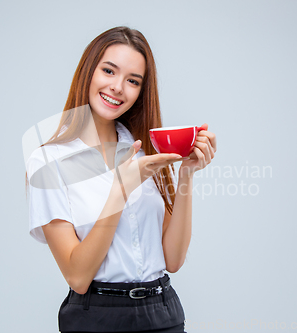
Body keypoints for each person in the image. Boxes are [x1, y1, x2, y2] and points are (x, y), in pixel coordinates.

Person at [25, 26, 217, 333]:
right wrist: (121, 191)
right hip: (96, 318)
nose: (118, 87)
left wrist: (187, 173)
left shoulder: (144, 150)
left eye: (132, 81)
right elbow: (77, 276)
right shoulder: (47, 163)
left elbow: (173, 259)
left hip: (162, 314)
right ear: (88, 71)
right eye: (109, 71)